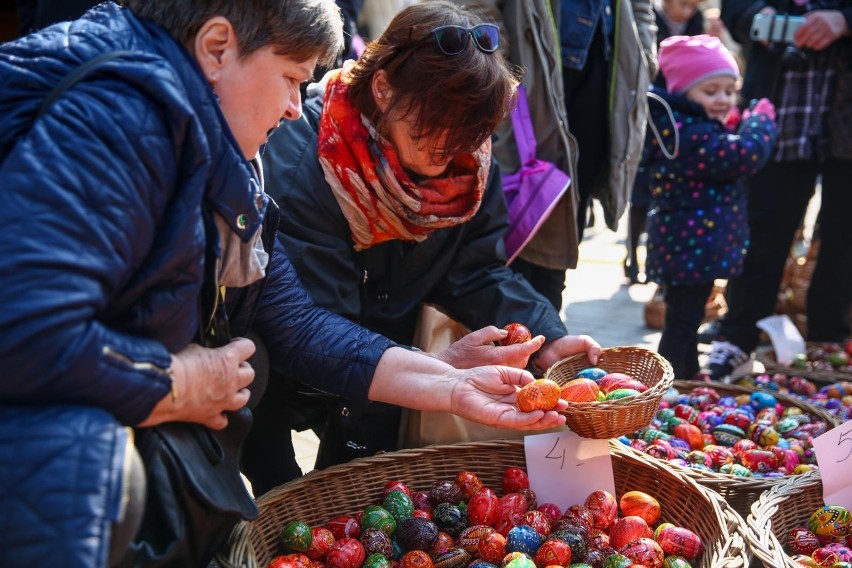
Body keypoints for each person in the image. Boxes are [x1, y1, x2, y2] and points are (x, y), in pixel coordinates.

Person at [0, 1, 571, 566]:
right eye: (293, 78)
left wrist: (445, 383)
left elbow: (295, 321)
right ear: (219, 48)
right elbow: (29, 338)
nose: (298, 108)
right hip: (52, 488)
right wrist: (183, 381)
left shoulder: (215, 146)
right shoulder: (113, 122)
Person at [251, 0, 602, 495]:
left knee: (358, 493)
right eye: (434, 127)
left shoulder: (469, 168)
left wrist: (547, 337)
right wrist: (439, 369)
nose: (451, 147)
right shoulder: (303, 162)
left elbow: (476, 271)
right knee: (282, 493)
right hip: (292, 367)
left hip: (389, 362)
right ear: (382, 88)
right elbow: (306, 330)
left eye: (470, 131)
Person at [705, 0, 852, 379]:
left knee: (845, 235)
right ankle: (738, 338)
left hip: (843, 104)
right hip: (780, 103)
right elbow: (735, 8)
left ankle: (830, 342)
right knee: (762, 226)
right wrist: (757, 15)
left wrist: (844, 20)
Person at [507, 0, 658, 310]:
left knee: (563, 236)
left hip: (600, 79)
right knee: (514, 242)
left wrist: (642, 54)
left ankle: (546, 346)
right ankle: (516, 347)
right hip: (525, 84)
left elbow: (640, 8)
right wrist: (496, 60)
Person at [643, 35, 777, 380]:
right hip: (692, 249)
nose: (723, 100)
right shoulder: (691, 132)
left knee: (684, 318)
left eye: (730, 91)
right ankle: (668, 383)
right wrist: (760, 124)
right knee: (682, 322)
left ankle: (685, 375)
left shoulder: (684, 125)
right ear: (684, 90)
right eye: (711, 91)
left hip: (688, 247)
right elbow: (744, 154)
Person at [624, 0, 705, 285]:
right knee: (640, 196)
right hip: (649, 116)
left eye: (694, 6)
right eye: (684, 4)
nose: (688, 11)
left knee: (661, 198)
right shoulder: (649, 18)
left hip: (678, 121)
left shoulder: (698, 22)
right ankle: (632, 257)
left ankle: (650, 261)